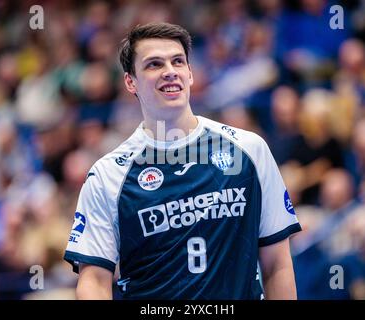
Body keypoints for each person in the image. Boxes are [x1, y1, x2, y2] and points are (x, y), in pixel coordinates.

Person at [64, 22, 302, 300]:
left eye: (178, 61)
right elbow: (93, 282)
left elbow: (277, 264)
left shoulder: (249, 150)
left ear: (190, 73)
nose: (169, 72)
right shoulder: (108, 175)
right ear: (131, 81)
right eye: (154, 64)